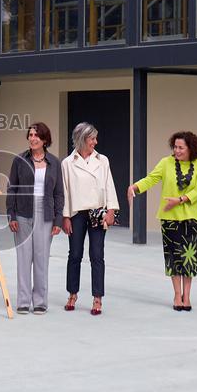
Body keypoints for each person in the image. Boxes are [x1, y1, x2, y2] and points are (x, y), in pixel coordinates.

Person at [128, 131, 197, 312]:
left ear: (190, 148)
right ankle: (177, 295)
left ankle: (187, 296)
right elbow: (151, 179)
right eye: (175, 147)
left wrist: (179, 200)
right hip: (169, 219)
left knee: (188, 258)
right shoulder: (166, 163)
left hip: (191, 217)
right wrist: (135, 187)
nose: (177, 151)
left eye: (181, 148)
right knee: (173, 257)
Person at [61, 122, 119, 316]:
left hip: (98, 212)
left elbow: (109, 184)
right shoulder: (67, 163)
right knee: (75, 254)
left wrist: (111, 210)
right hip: (76, 213)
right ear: (82, 139)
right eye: (92, 138)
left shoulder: (102, 160)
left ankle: (97, 297)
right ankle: (72, 294)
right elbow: (66, 191)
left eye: (95, 138)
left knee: (97, 255)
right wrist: (66, 217)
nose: (96, 142)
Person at [6, 122, 65, 315]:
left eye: (36, 135)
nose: (32, 138)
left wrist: (58, 221)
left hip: (45, 212)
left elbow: (59, 194)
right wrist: (11, 215)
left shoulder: (55, 163)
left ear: (45, 140)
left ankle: (40, 301)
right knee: (23, 258)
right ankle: (23, 301)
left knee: (41, 258)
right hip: (23, 213)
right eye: (30, 135)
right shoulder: (19, 160)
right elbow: (11, 189)